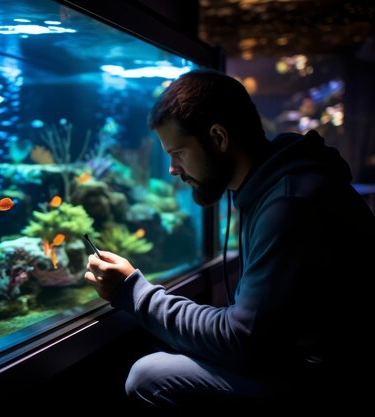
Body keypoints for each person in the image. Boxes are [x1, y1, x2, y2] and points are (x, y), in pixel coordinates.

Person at [85, 69, 375, 412]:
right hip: (298, 354)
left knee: (149, 375)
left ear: (218, 138)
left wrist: (133, 292)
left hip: (331, 379)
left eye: (177, 152)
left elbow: (242, 340)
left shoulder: (290, 204)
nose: (172, 169)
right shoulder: (274, 187)